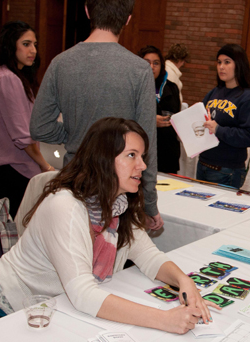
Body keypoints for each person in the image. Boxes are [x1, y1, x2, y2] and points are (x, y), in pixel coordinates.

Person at [0, 118, 220, 333]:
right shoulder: (66, 207)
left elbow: (147, 255)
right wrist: (164, 319)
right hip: (0, 308)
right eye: (132, 155)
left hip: (52, 306)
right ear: (103, 159)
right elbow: (82, 294)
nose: (142, 165)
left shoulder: (118, 203)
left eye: (142, 156)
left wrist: (184, 282)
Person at [30, 0, 163, 231]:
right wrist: (149, 203)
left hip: (75, 181)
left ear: (87, 11)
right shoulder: (139, 70)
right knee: (109, 260)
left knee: (71, 254)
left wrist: (75, 133)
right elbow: (147, 143)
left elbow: (39, 127)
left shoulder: (61, 63)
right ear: (128, 19)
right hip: (118, 186)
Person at [0, 21, 53, 219]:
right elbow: (23, 136)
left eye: (34, 44)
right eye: (26, 44)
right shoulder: (8, 79)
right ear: (10, 46)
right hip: (16, 169)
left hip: (19, 167)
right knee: (17, 231)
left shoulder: (16, 77)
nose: (33, 50)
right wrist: (45, 166)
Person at [197, 44, 250, 188]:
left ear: (238, 65)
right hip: (203, 164)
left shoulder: (249, 98)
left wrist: (219, 130)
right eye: (219, 62)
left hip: (227, 170)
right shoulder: (214, 92)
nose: (221, 67)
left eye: (227, 62)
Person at [137, 45, 181, 174]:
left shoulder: (171, 87)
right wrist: (150, 120)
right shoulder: (134, 87)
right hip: (144, 148)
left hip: (168, 149)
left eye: (156, 63)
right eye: (147, 62)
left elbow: (176, 113)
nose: (152, 67)